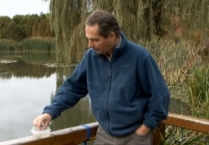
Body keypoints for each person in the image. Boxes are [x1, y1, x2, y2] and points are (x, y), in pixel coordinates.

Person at [33, 9, 170, 145]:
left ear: (111, 36)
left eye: (94, 40)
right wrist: (50, 113)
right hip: (104, 135)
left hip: (135, 137)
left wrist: (144, 128)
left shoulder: (140, 57)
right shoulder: (90, 58)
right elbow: (71, 88)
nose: (89, 45)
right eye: (88, 39)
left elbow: (160, 96)